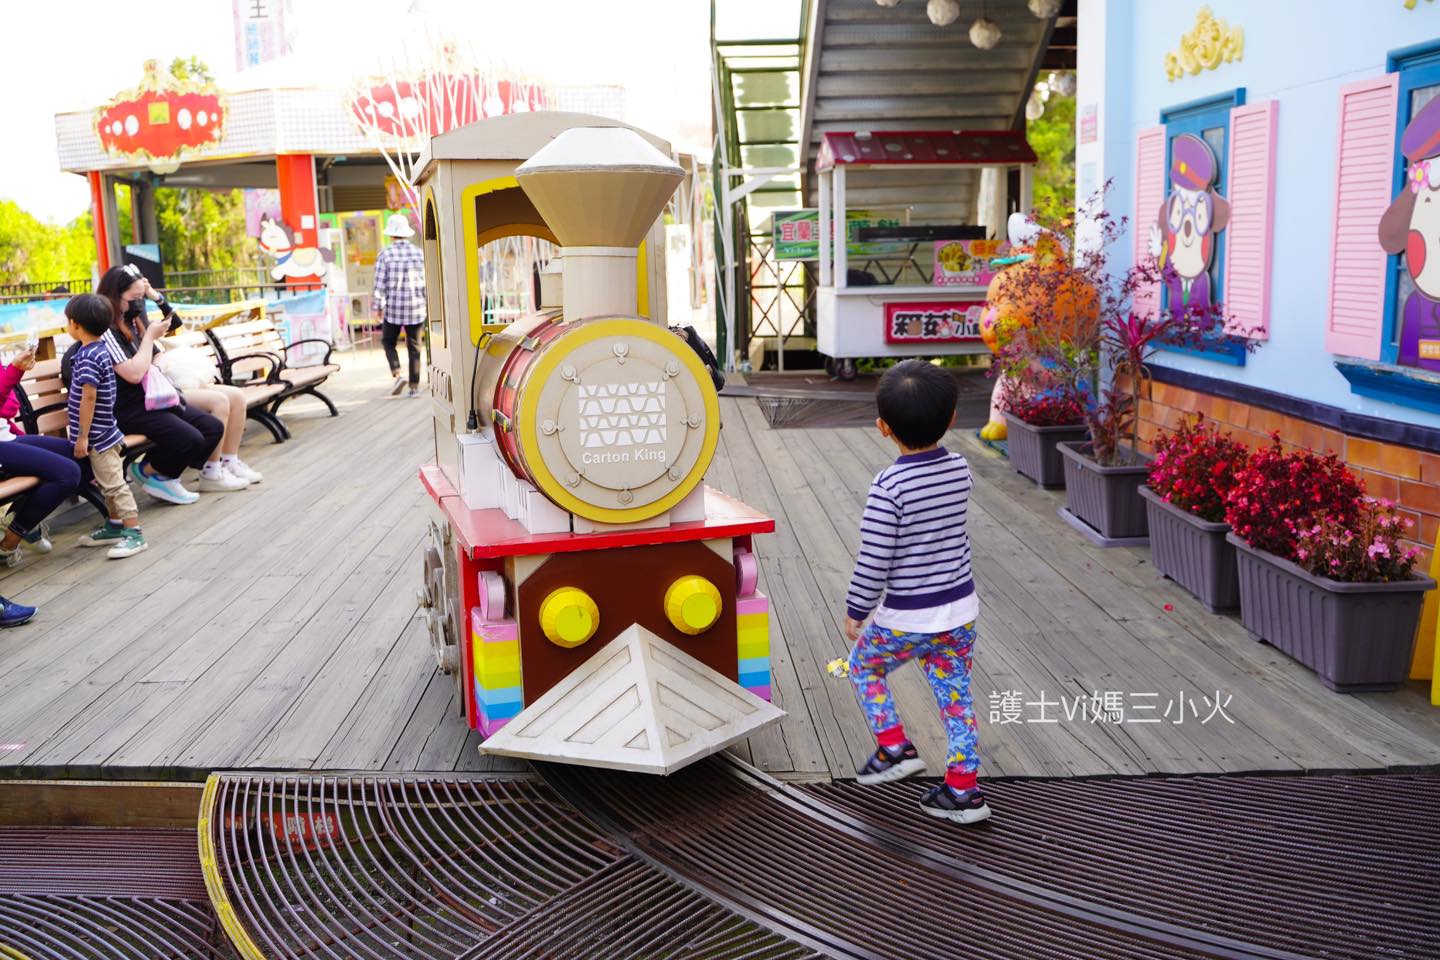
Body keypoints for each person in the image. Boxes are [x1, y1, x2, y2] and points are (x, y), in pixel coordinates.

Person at [842, 360, 988, 825]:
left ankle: (894, 747)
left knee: (864, 667)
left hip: (908, 617)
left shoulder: (888, 488)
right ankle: (963, 791)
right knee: (956, 698)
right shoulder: (960, 470)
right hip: (959, 613)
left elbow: (874, 561)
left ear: (883, 427)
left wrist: (856, 609)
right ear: (951, 419)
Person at [81, 265, 231, 504]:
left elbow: (158, 353)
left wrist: (152, 358)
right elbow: (133, 374)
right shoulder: (107, 330)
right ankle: (162, 475)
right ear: (114, 296)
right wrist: (149, 339)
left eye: (140, 297)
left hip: (153, 398)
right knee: (191, 439)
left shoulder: (134, 321)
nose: (138, 303)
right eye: (133, 297)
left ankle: (153, 472)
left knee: (211, 428)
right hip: (128, 407)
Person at [65, 294, 146, 559]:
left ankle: (134, 533)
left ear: (75, 324)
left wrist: (82, 437)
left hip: (98, 436)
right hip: (107, 431)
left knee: (114, 486)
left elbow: (89, 397)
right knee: (107, 483)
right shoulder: (99, 349)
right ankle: (114, 526)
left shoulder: (88, 357)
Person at [0, 345, 94, 568]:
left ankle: (16, 518)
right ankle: (9, 542)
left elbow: (8, 407)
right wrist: (14, 370)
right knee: (68, 473)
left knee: (85, 459)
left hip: (6, 437)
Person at [373, 214, 426, 398]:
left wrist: (377, 307)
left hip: (393, 309)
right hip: (416, 308)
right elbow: (426, 282)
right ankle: (414, 387)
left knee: (388, 342)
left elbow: (380, 285)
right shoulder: (419, 254)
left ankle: (397, 374)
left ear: (391, 234)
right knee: (415, 347)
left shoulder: (385, 254)